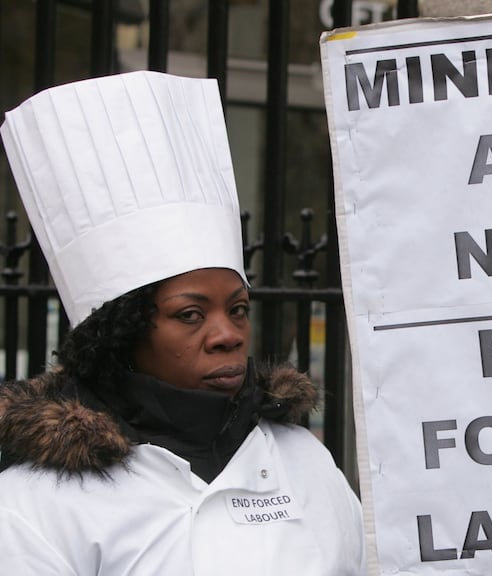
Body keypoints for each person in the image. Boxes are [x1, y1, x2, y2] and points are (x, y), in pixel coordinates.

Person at [0, 71, 366, 574]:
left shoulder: (303, 460)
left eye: (237, 309)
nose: (227, 335)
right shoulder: (35, 503)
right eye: (190, 315)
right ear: (122, 333)